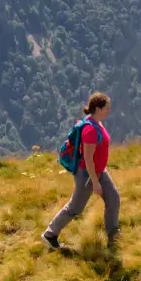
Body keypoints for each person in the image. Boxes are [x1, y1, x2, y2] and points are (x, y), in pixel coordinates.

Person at [42, 92, 118, 250]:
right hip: (87, 175)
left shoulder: (97, 122)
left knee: (113, 198)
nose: (109, 111)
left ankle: (113, 236)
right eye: (106, 108)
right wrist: (95, 183)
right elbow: (88, 159)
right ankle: (50, 234)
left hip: (99, 172)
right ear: (97, 109)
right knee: (75, 208)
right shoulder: (89, 130)